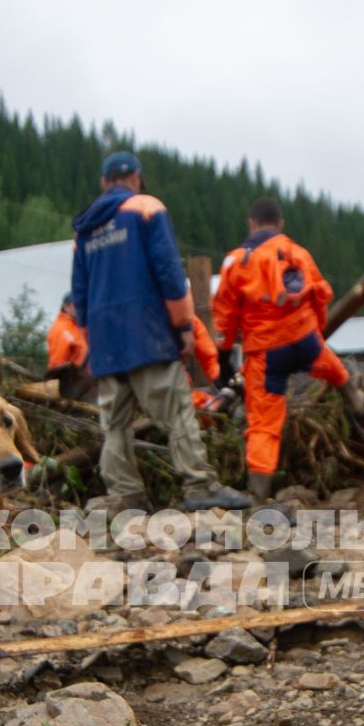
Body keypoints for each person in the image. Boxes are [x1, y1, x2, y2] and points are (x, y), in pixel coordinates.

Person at [71, 150, 249, 512]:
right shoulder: (146, 208)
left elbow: (80, 294)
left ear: (105, 183)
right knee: (178, 412)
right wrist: (184, 324)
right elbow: (168, 270)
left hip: (107, 342)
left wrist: (92, 342)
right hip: (146, 332)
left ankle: (126, 496)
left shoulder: (84, 230)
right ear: (136, 177)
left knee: (116, 424)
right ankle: (199, 485)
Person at [212, 197, 364, 503]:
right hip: (305, 339)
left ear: (252, 223)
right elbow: (322, 294)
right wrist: (315, 329)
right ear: (280, 223)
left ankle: (258, 495)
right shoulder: (299, 252)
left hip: (267, 351)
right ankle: (354, 396)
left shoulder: (237, 261)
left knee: (264, 424)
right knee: (331, 365)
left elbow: (225, 314)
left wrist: (224, 352)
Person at [44, 295, 93, 400]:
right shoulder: (62, 329)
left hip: (84, 385)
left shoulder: (76, 328)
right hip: (69, 387)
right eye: (77, 305)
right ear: (66, 306)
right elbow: (57, 364)